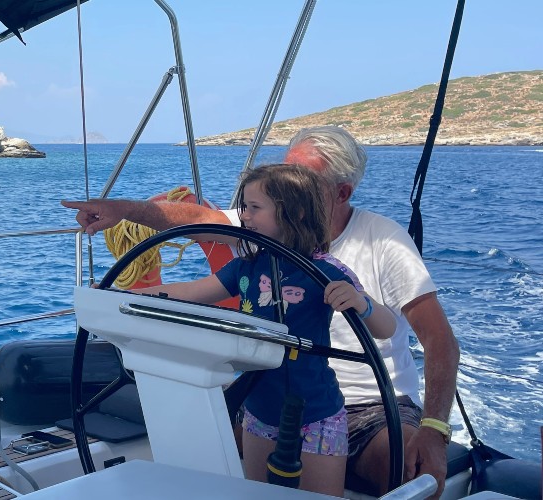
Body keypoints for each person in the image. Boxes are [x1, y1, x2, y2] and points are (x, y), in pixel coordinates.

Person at [61, 126, 460, 498]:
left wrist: (434, 428)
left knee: (409, 474)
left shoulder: (382, 241)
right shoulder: (258, 228)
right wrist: (122, 217)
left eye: (300, 180)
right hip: (263, 394)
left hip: (366, 403)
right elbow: (197, 231)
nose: (286, 185)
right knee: (199, 451)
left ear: (340, 193)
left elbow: (437, 339)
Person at [135, 164, 395, 496]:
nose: (244, 216)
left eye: (254, 208)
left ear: (295, 212)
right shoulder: (247, 266)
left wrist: (361, 303)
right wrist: (121, 295)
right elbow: (190, 291)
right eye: (243, 206)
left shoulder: (327, 271)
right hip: (259, 411)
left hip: (317, 414)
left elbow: (386, 328)